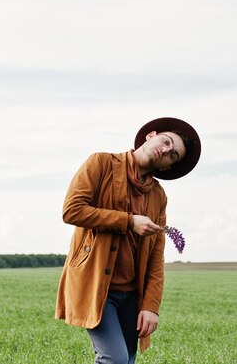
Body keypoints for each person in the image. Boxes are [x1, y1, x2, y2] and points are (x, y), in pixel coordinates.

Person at [55, 117, 201, 364]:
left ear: (167, 167)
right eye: (166, 141)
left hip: (133, 294)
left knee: (128, 360)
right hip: (97, 287)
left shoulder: (158, 196)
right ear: (150, 135)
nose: (166, 150)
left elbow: (156, 255)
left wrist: (151, 306)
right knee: (115, 360)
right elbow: (72, 210)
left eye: (172, 155)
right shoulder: (101, 163)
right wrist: (129, 221)